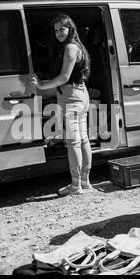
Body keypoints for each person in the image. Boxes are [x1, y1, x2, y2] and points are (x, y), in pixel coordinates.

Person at [30, 14, 92, 196]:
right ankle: (85, 182)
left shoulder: (70, 48)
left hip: (72, 98)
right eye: (56, 30)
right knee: (83, 139)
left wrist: (41, 85)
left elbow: (64, 78)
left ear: (70, 28)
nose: (58, 33)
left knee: (73, 142)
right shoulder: (76, 46)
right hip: (78, 95)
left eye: (62, 29)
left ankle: (75, 185)